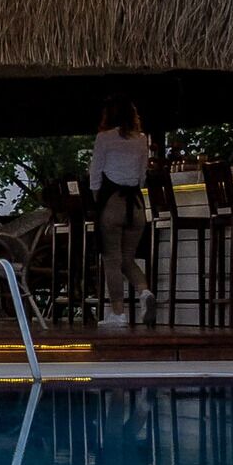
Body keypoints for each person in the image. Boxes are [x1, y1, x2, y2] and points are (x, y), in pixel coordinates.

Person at [87, 99, 154, 329]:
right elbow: (142, 177)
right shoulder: (142, 140)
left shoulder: (104, 138)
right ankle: (144, 292)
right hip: (136, 205)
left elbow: (95, 174)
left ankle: (118, 313)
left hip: (113, 203)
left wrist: (98, 201)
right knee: (127, 259)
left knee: (112, 260)